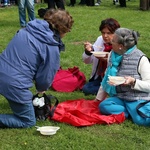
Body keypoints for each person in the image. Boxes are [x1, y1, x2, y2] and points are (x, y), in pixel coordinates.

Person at [0, 9, 74, 128]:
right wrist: (41, 89)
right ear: (63, 30)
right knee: (28, 121)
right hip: (14, 83)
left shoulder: (27, 29)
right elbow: (46, 76)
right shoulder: (51, 47)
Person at [96, 28, 150, 126]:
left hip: (137, 98)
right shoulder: (112, 55)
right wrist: (98, 98)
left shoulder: (141, 59)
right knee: (104, 106)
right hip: (120, 97)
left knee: (142, 121)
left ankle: (133, 112)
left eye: (113, 41)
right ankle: (130, 112)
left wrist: (133, 82)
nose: (110, 43)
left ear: (120, 46)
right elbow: (106, 78)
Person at [82, 18, 120, 95]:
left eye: (109, 33)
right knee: (86, 88)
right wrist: (88, 52)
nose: (105, 36)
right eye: (103, 33)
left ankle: (109, 90)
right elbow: (87, 61)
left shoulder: (120, 43)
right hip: (100, 77)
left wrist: (108, 59)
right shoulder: (100, 40)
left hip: (116, 78)